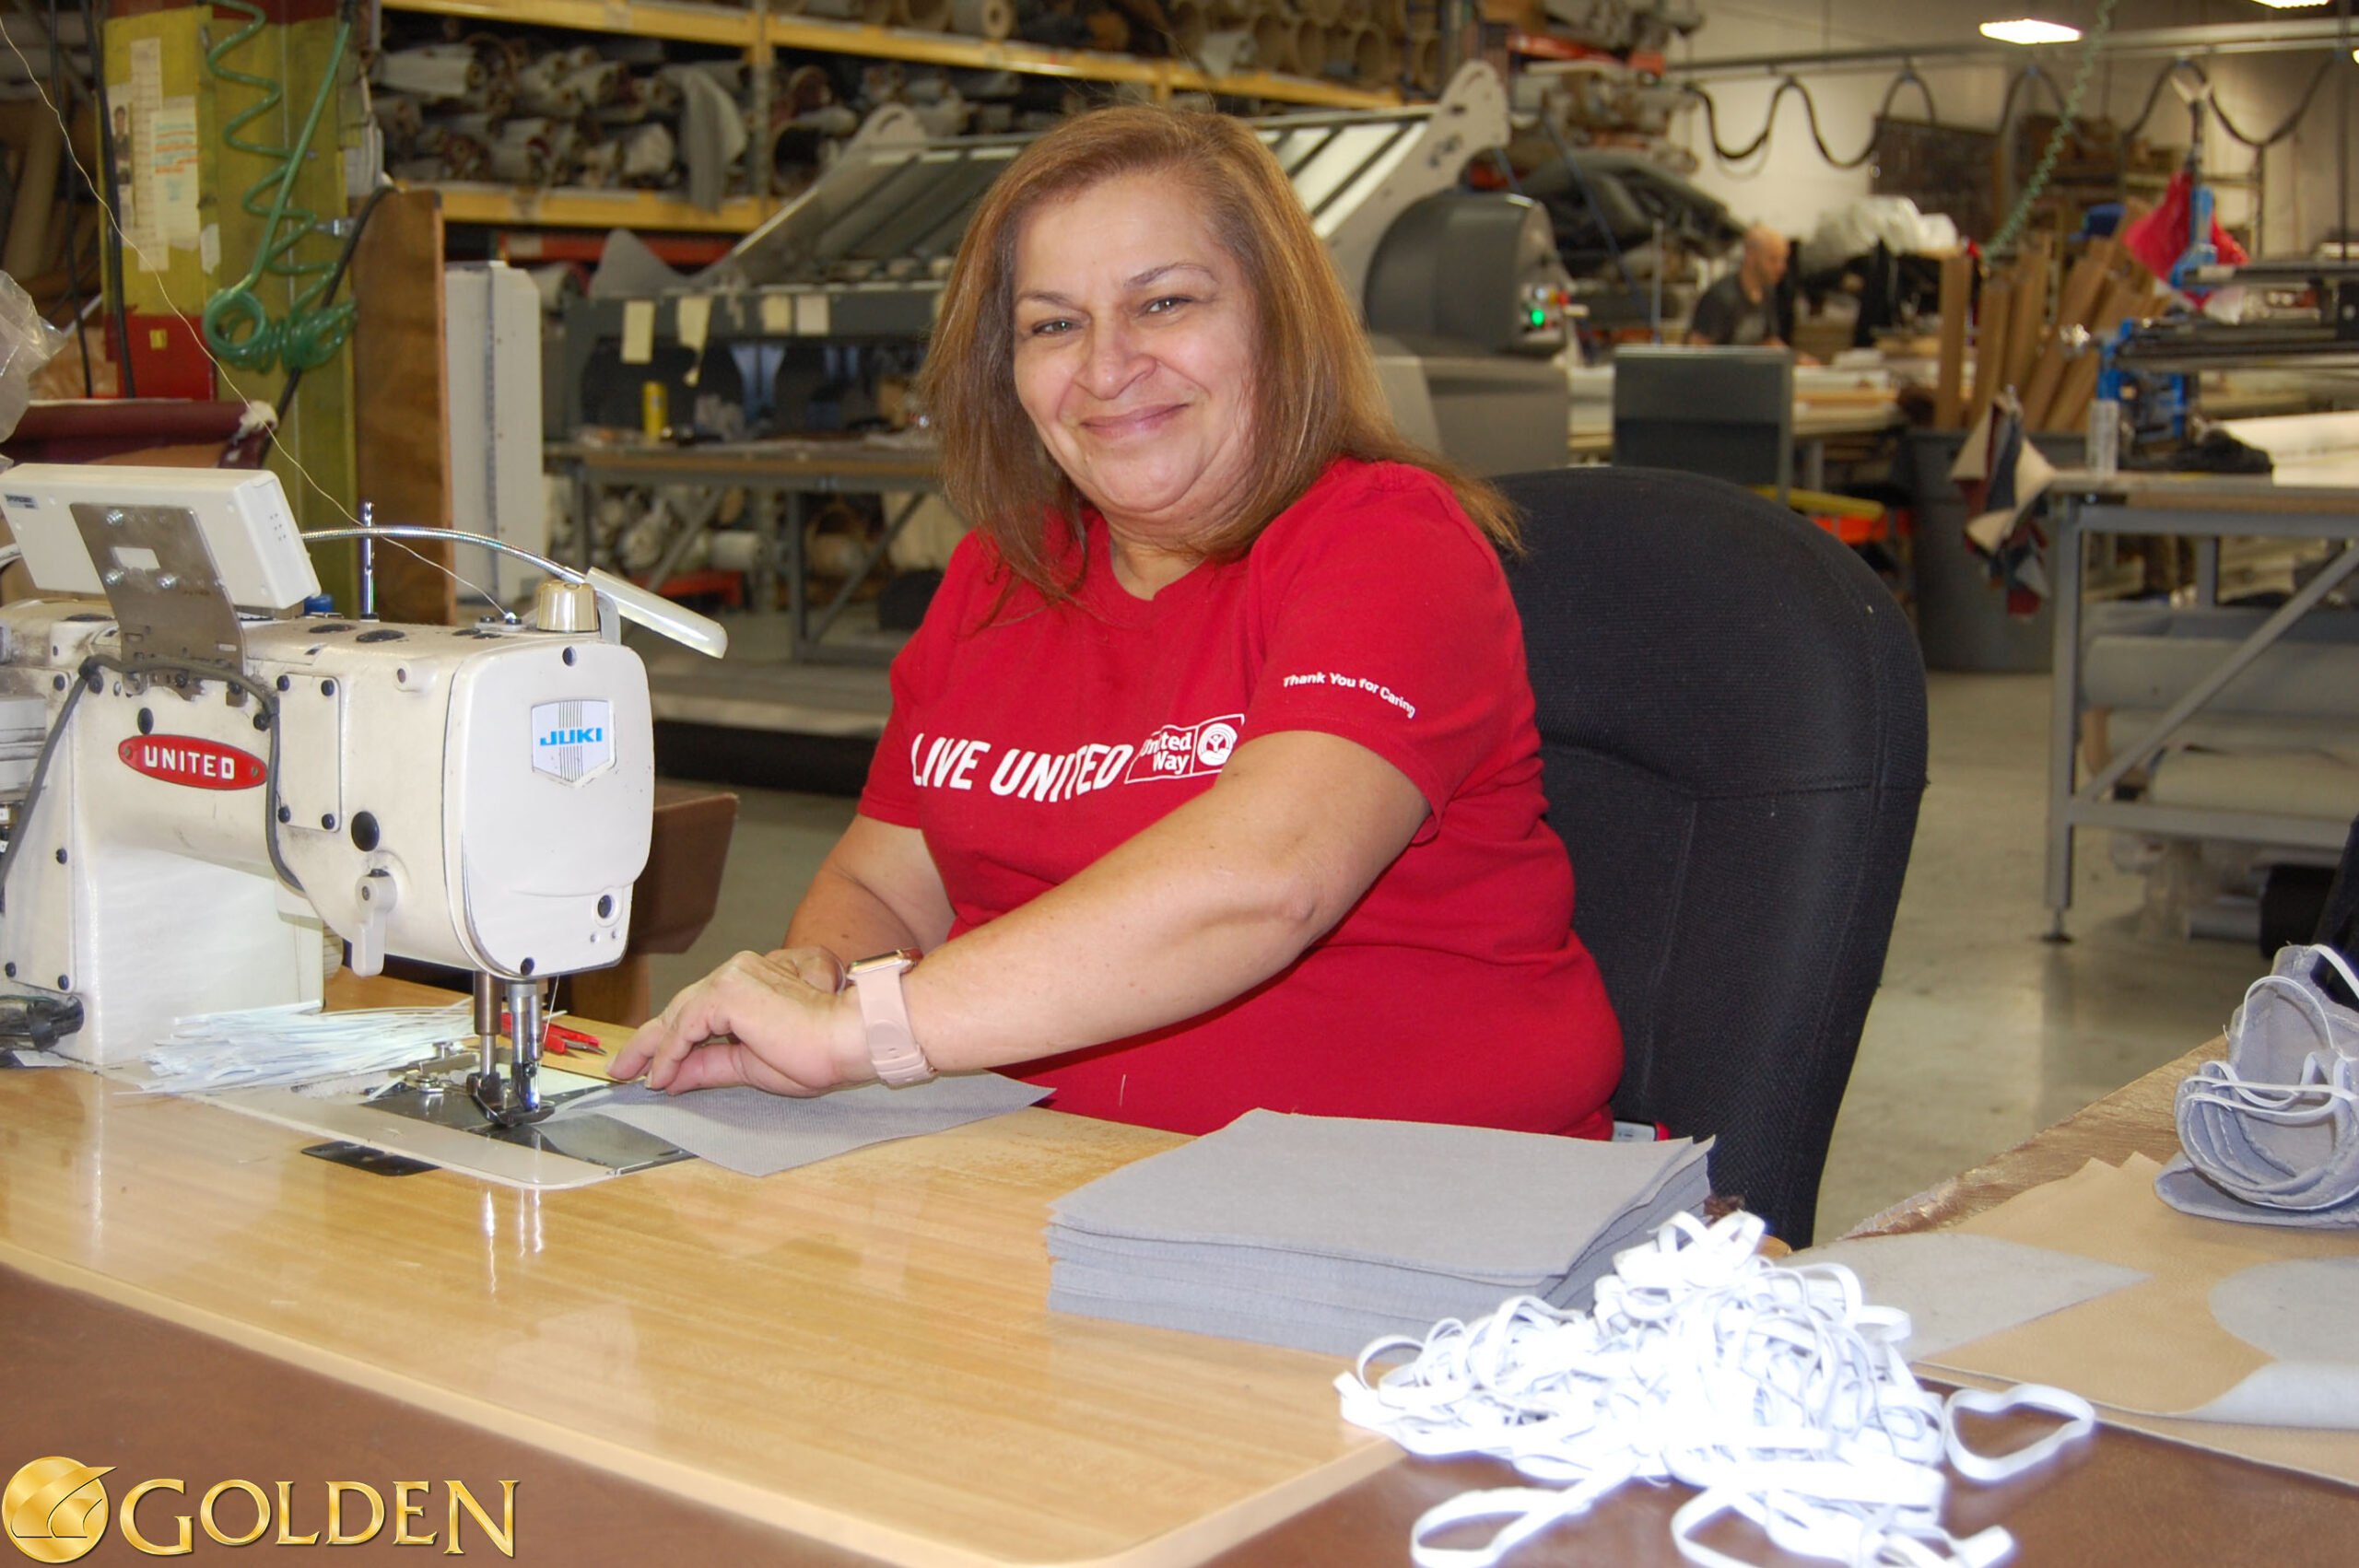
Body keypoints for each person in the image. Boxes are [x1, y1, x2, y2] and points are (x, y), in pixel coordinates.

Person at [613, 106, 1623, 1138]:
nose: (1105, 368)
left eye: (1164, 303)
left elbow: (1266, 879)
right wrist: (811, 973)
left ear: (1278, 318)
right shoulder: (1001, 575)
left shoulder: (1386, 542)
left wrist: (859, 1032)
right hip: (1053, 1172)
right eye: (1054, 325)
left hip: (1415, 1186)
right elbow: (885, 886)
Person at [1686, 224, 1795, 350]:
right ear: (1751, 256)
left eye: (1783, 260)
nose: (1781, 268)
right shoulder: (1720, 298)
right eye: (1773, 260)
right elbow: (1697, 348)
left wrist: (1794, 357)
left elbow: (1768, 341)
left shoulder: (1767, 292)